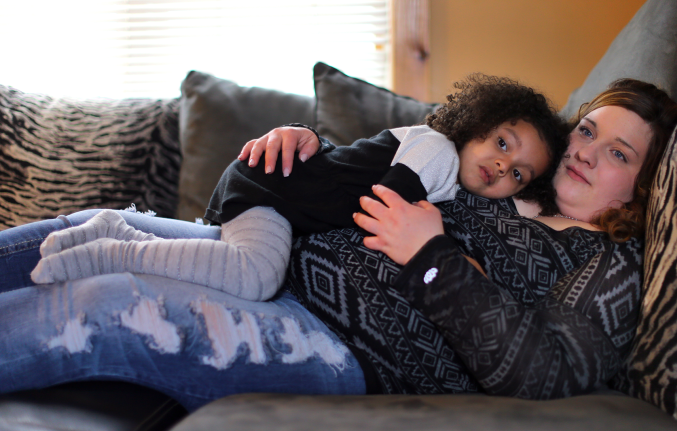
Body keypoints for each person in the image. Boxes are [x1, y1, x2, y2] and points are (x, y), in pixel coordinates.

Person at [0, 79, 677, 409]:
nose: (588, 150)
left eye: (618, 151)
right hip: (271, 259)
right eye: (590, 129)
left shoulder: (608, 266)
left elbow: (544, 374)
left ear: (642, 187)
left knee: (106, 304)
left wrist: (433, 260)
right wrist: (306, 152)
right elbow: (393, 169)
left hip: (335, 342)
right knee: (80, 224)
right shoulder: (514, 182)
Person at [27, 75, 567, 302]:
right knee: (256, 275)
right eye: (502, 143)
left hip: (282, 199)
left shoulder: (455, 182)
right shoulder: (436, 151)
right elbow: (381, 214)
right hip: (275, 188)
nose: (503, 167)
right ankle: (108, 252)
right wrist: (445, 258)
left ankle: (115, 225)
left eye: (519, 172)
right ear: (478, 123)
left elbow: (523, 212)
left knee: (226, 259)